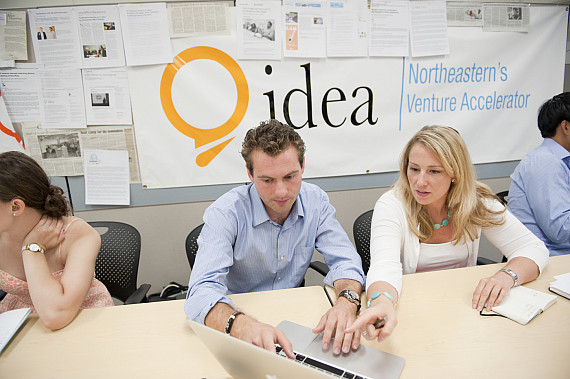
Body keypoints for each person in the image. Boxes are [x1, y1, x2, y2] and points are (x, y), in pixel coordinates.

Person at [345, 125, 549, 342]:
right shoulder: (392, 204)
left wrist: (507, 276)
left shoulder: (477, 202)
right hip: (411, 314)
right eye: (414, 169)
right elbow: (385, 266)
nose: (420, 181)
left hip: (463, 311)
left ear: (455, 173)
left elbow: (533, 248)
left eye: (434, 171)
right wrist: (382, 302)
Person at [185, 120, 365, 358]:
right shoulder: (226, 213)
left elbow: (346, 262)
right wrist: (241, 325)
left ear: (302, 166)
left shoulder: (316, 202)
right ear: (250, 174)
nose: (281, 192)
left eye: (290, 176)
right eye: (267, 180)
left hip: (294, 319)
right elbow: (200, 293)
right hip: (239, 319)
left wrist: (346, 302)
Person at [0, 151, 113, 330]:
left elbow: (55, 316)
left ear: (16, 206)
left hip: (80, 318)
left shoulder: (78, 234)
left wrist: (32, 249)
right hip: (22, 322)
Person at [508, 93, 570, 256]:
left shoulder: (560, 160)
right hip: (552, 262)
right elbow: (560, 230)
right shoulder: (545, 162)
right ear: (566, 127)